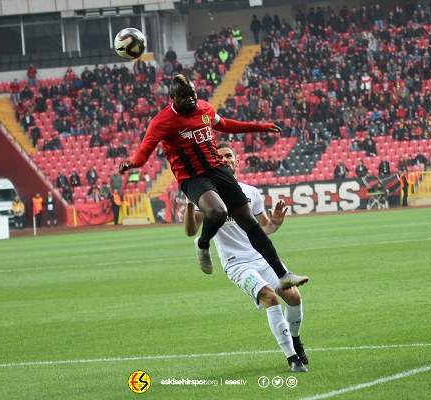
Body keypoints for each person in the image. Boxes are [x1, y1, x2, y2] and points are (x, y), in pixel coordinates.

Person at [119, 74, 307, 289]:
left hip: (218, 170)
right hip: (192, 177)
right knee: (218, 212)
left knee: (249, 223)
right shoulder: (161, 122)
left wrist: (260, 127)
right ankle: (202, 244)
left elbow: (225, 125)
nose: (190, 99)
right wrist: (130, 163)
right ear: (172, 97)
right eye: (184, 96)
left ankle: (283, 275)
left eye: (192, 94)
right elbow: (143, 154)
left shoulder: (204, 108)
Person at [184, 142, 308, 373]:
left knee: (294, 297)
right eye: (220, 157)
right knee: (270, 297)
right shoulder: (207, 196)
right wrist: (189, 206)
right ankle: (292, 358)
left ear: (237, 161)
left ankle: (296, 340)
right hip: (237, 264)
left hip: (262, 259)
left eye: (229, 155)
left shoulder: (250, 192)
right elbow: (192, 231)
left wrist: (276, 223)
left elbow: (264, 229)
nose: (225, 160)